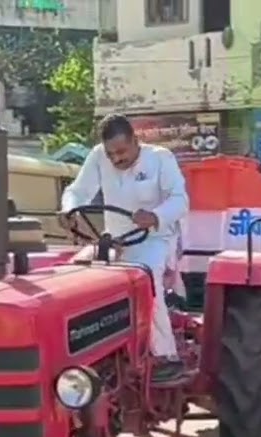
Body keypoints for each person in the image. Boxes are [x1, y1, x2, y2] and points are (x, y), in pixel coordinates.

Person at [59, 114, 189, 383]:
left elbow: (180, 200)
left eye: (121, 151)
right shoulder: (98, 157)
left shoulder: (160, 158)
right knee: (75, 275)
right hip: (114, 240)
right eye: (111, 154)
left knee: (146, 278)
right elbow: (78, 191)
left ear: (135, 140)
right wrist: (68, 209)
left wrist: (154, 216)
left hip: (155, 238)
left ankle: (165, 355)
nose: (116, 159)